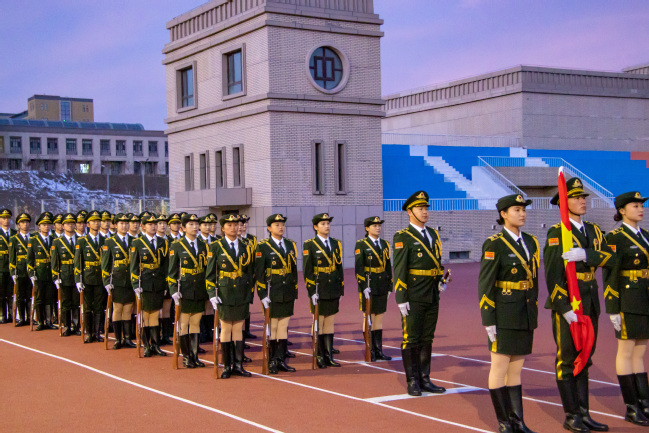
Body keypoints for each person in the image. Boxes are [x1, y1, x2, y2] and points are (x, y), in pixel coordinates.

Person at [544, 177, 615, 432]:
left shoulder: (594, 231)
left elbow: (610, 258)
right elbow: (552, 275)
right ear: (564, 203)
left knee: (585, 357)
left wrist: (587, 254)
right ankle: (571, 415)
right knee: (567, 359)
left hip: (589, 301)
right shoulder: (557, 233)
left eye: (583, 197)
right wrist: (564, 308)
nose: (583, 201)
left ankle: (584, 414)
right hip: (568, 304)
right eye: (576, 198)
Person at [479, 195, 539, 433]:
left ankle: (518, 422)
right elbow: (485, 284)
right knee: (499, 368)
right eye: (517, 210)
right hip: (503, 313)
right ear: (503, 214)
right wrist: (488, 319)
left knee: (516, 370)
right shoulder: (494, 243)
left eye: (524, 210)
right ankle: (504, 423)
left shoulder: (531, 241)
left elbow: (533, 280)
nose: (522, 214)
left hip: (524, 311)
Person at [393, 191, 447, 396]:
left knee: (427, 338)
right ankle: (412, 380)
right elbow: (399, 269)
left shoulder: (433, 234)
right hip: (413, 294)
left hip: (432, 293)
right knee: (411, 338)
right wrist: (401, 298)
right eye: (420, 208)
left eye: (426, 208)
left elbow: (436, 262)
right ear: (409, 211)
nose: (425, 212)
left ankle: (425, 379)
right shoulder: (403, 236)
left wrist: (441, 280)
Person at [603, 191, 649, 426]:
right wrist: (612, 307)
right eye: (635, 206)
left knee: (640, 352)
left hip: (644, 298)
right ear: (622, 210)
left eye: (641, 205)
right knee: (626, 352)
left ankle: (644, 402)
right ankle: (631, 407)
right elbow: (610, 274)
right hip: (627, 300)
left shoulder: (646, 235)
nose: (640, 209)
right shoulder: (615, 238)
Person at [206, 214, 255, 378]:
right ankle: (227, 365)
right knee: (226, 329)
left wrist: (249, 293)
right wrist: (212, 294)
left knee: (239, 328)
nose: (233, 228)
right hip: (224, 293)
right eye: (229, 225)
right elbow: (210, 274)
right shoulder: (216, 246)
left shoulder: (246, 246)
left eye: (236, 225)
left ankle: (238, 365)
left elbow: (250, 272)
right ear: (223, 228)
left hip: (241, 292)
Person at [255, 213, 298, 374]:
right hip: (271, 290)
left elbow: (293, 270)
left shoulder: (290, 244)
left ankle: (281, 360)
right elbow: (259, 273)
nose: (281, 227)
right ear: (269, 228)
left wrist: (294, 290)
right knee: (273, 327)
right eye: (277, 225)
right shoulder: (263, 246)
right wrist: (262, 294)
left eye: (282, 225)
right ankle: (271, 360)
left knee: (283, 326)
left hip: (287, 290)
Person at [303, 213, 344, 368]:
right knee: (319, 322)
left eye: (328, 223)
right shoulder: (310, 245)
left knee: (330, 323)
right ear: (315, 227)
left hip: (332, 287)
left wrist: (340, 289)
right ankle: (319, 355)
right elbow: (307, 270)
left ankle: (329, 355)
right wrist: (311, 291)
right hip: (319, 287)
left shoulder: (335, 243)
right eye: (323, 224)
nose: (327, 226)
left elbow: (339, 267)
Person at [168, 213, 208, 369]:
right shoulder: (177, 245)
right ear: (183, 228)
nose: (195, 227)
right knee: (184, 323)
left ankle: (195, 355)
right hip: (184, 288)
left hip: (199, 288)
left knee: (196, 322)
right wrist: (173, 290)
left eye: (196, 224)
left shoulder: (204, 245)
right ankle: (186, 356)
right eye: (191, 224)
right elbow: (172, 271)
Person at [355, 216, 393, 362]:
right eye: (374, 226)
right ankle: (369, 349)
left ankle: (379, 350)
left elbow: (388, 266)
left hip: (382, 283)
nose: (378, 228)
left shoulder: (384, 244)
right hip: (369, 284)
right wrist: (364, 286)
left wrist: (389, 285)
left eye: (379, 225)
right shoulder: (362, 244)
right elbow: (359, 267)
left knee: (379, 318)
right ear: (367, 228)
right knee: (369, 317)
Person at [130, 215, 169, 357]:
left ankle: (156, 344)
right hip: (144, 281)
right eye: (150, 224)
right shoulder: (137, 243)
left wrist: (166, 283)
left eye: (155, 224)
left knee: (156, 314)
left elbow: (165, 265)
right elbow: (134, 265)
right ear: (143, 226)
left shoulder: (163, 242)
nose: (153, 226)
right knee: (145, 314)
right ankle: (146, 345)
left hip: (158, 282)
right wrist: (135, 283)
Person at [101, 213, 137, 349]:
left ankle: (127, 338)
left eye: (126, 223)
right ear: (115, 225)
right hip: (116, 279)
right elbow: (105, 264)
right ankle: (118, 338)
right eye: (121, 223)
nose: (124, 226)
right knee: (117, 309)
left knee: (128, 308)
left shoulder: (134, 241)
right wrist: (106, 281)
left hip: (130, 280)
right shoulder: (109, 242)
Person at [74, 210, 105, 343]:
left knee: (98, 306)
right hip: (87, 277)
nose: (96, 223)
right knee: (87, 307)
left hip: (100, 278)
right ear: (88, 224)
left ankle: (97, 332)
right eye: (93, 221)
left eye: (98, 221)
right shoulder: (82, 241)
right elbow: (77, 261)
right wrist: (78, 279)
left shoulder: (105, 240)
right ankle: (89, 333)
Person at [51, 213, 81, 336]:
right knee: (65, 303)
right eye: (67, 224)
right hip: (64, 275)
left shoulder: (80, 240)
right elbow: (54, 261)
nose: (70, 225)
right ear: (63, 226)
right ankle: (67, 326)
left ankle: (76, 325)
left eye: (72, 223)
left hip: (77, 275)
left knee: (76, 303)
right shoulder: (57, 242)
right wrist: (55, 277)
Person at [27, 213, 57, 331]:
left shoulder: (53, 239)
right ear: (39, 226)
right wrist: (31, 273)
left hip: (50, 273)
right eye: (43, 225)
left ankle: (49, 321)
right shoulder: (33, 240)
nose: (46, 227)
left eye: (48, 224)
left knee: (49, 298)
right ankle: (40, 321)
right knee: (39, 299)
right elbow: (30, 259)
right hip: (39, 273)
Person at [9, 212, 32, 327]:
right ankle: (22, 318)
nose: (25, 224)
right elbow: (12, 257)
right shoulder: (14, 239)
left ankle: (29, 318)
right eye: (22, 222)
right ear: (18, 225)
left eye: (27, 222)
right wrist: (13, 271)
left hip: (31, 270)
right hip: (20, 270)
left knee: (29, 295)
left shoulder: (33, 238)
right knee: (20, 296)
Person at [0, 209, 16, 324]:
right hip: (0, 267)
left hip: (12, 267)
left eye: (8, 218)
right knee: (1, 293)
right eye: (4, 218)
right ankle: (2, 315)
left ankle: (11, 314)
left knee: (11, 293)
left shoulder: (15, 234)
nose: (6, 220)